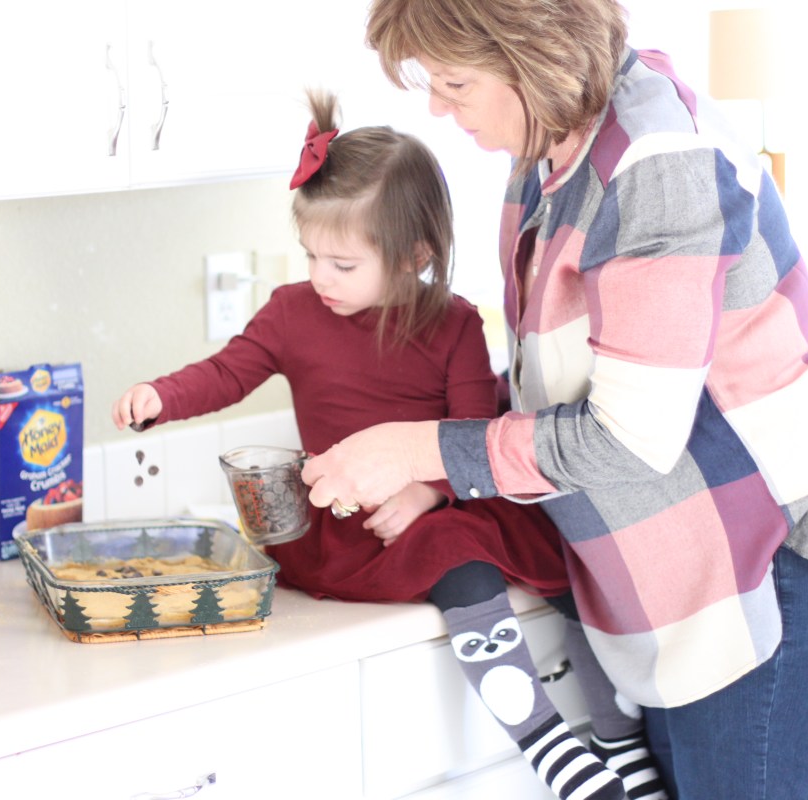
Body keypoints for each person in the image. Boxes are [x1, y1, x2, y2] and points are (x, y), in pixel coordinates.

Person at [299, 2, 808, 799]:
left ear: (530, 53)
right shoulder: (549, 146)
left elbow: (628, 438)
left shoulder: (657, 163)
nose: (439, 108)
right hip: (686, 581)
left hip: (774, 569)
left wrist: (416, 448)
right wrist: (433, 469)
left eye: (455, 82)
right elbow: (554, 381)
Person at [111, 89, 666, 800]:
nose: (320, 277)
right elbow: (227, 373)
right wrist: (161, 396)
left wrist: (426, 490)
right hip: (351, 527)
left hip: (445, 504)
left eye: (343, 264)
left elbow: (473, 431)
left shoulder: (454, 325)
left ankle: (619, 742)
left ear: (414, 255)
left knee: (569, 563)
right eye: (311, 255)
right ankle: (550, 747)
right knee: (459, 557)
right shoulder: (290, 313)